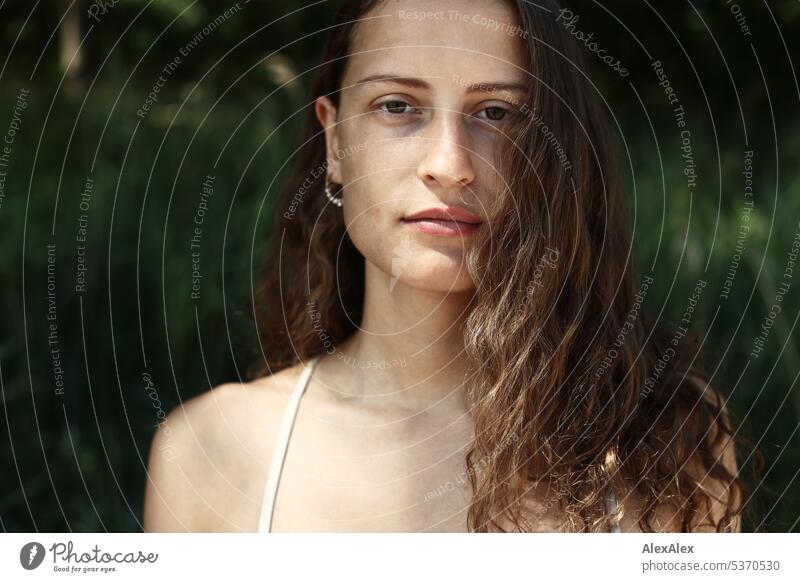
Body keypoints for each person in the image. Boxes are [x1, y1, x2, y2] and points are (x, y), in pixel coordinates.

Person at [144, 0, 743, 533]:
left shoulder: (667, 439)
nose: (449, 163)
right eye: (398, 105)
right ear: (334, 146)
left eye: (498, 113)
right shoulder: (209, 451)